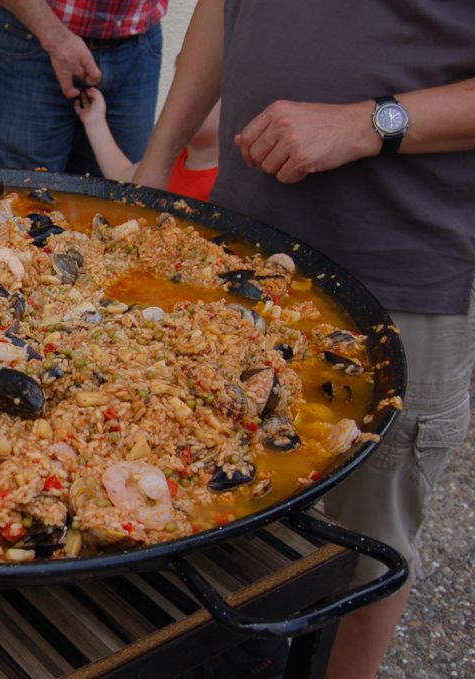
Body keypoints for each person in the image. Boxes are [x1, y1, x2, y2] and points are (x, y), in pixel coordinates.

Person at [134, 2, 475, 676]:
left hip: (399, 274)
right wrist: (157, 156)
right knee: (216, 500)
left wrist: (370, 123)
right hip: (238, 249)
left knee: (364, 544)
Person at [0, 0, 167, 176]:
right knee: (16, 200)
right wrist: (54, 36)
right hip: (35, 34)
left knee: (120, 201)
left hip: (138, 42)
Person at [75, 85, 220, 200]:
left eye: (202, 94)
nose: (183, 103)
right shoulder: (171, 158)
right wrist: (95, 122)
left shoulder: (230, 184)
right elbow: (123, 177)